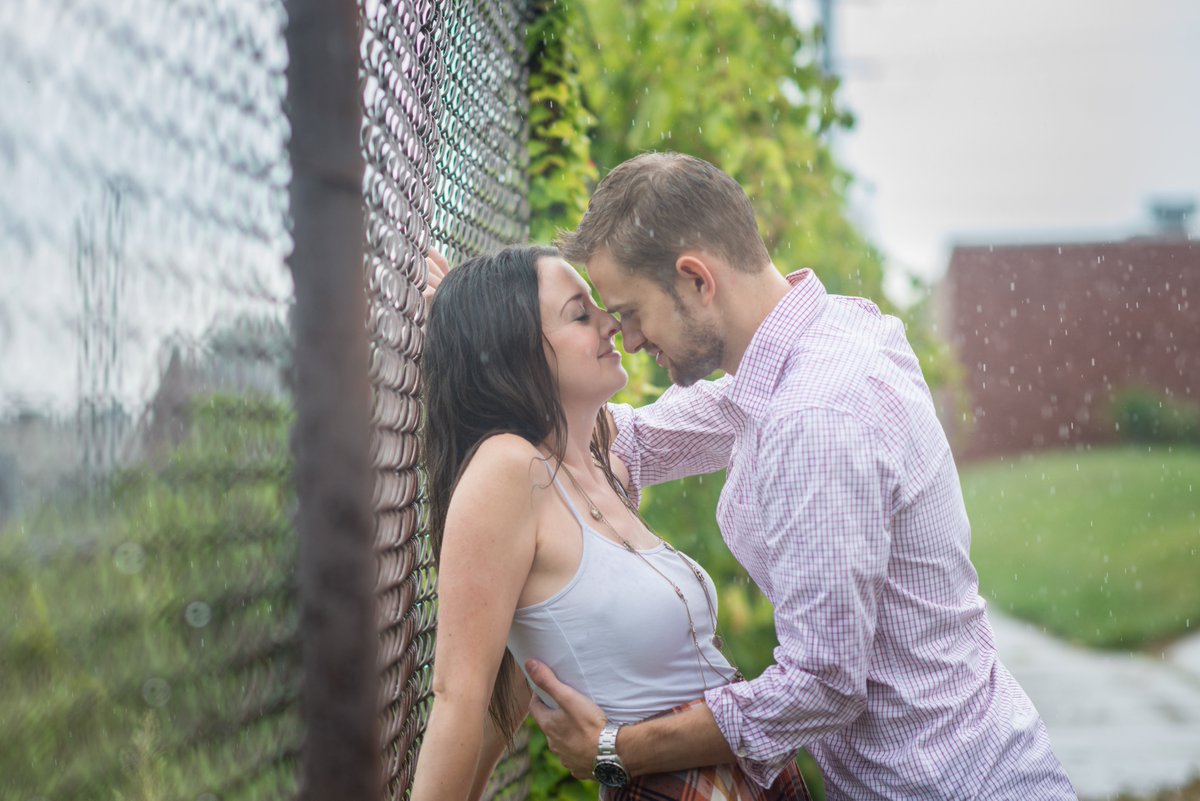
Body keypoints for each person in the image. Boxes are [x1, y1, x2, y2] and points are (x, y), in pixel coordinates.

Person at [519, 152, 1078, 800]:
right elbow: (640, 438)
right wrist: (486, 331)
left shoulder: (814, 414)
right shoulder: (818, 342)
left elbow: (821, 683)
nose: (632, 339)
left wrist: (614, 750)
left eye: (633, 313)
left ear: (697, 279)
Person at [409, 244, 813, 801]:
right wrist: (471, 319)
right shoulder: (507, 469)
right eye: (580, 314)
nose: (612, 325)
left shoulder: (602, 469)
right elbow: (460, 698)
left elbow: (746, 400)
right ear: (512, 350)